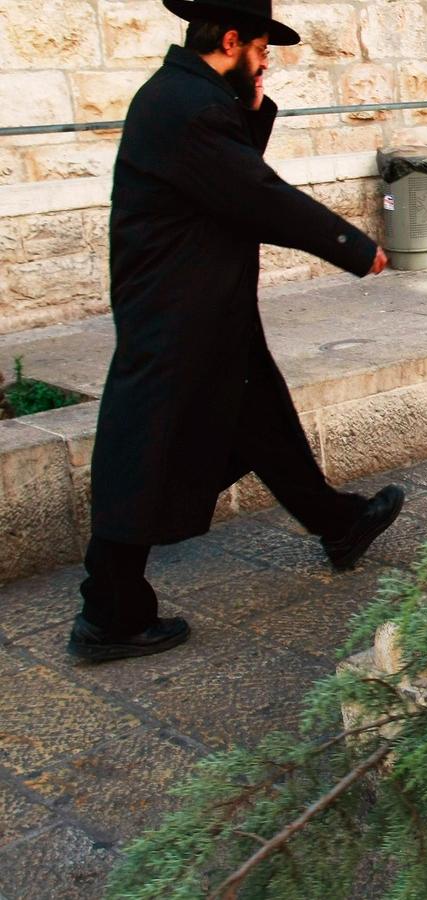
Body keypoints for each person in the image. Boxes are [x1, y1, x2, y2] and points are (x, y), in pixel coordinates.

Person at [68, 0, 404, 663]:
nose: (267, 57)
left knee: (262, 420)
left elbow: (230, 175)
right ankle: (109, 614)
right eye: (260, 46)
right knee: (144, 453)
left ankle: (339, 524)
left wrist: (251, 99)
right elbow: (255, 192)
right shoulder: (187, 107)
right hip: (176, 314)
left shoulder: (189, 95)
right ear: (230, 39)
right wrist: (353, 246)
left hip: (202, 305)